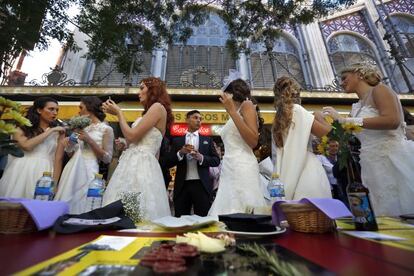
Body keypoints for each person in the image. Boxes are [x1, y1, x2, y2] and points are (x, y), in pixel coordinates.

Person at [322, 63, 414, 216]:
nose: (341, 83)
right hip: (369, 165)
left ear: (359, 73)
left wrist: (347, 122)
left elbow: (393, 120)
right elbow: (354, 135)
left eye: (344, 78)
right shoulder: (356, 107)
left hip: (392, 159)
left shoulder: (380, 90)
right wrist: (334, 144)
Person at [101, 77, 173, 220]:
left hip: (141, 165)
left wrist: (119, 114)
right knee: (129, 207)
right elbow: (150, 147)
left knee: (135, 209)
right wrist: (126, 145)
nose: (138, 92)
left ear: (153, 90)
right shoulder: (149, 113)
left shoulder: (157, 107)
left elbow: (132, 135)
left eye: (141, 88)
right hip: (138, 163)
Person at [209, 71, 267, 216]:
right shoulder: (234, 114)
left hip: (242, 165)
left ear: (231, 94)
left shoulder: (246, 106)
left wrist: (232, 112)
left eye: (225, 94)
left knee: (242, 207)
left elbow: (253, 140)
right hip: (230, 166)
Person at [272, 77, 332, 200]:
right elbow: (326, 132)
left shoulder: (278, 118)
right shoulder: (298, 110)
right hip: (306, 167)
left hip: (286, 167)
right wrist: (319, 117)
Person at [54, 96, 114, 214]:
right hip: (72, 167)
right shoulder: (80, 128)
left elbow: (107, 158)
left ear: (90, 107)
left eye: (81, 107)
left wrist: (89, 140)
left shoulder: (106, 129)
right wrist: (69, 145)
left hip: (90, 168)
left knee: (83, 201)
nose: (79, 110)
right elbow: (72, 154)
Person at [0, 97, 65, 198]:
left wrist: (55, 183)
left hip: (45, 172)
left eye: (57, 110)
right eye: (51, 109)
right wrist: (50, 131)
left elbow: (58, 159)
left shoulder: (59, 132)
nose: (55, 113)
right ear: (39, 110)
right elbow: (27, 146)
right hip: (22, 169)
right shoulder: (22, 128)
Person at [167, 110, 220, 217]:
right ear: (187, 119)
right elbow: (168, 162)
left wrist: (201, 158)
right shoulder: (177, 141)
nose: (198, 121)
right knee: (180, 219)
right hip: (182, 186)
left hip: (202, 185)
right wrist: (180, 153)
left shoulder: (207, 140)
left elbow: (216, 160)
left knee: (203, 218)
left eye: (200, 119)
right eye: (195, 118)